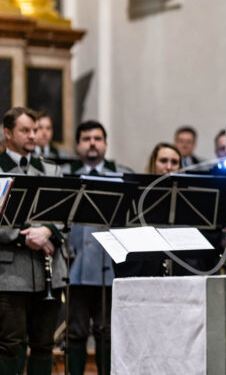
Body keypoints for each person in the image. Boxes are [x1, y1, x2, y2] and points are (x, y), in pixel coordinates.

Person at [63, 121, 133, 375]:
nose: (92, 143)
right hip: (76, 267)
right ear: (78, 145)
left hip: (110, 267)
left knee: (107, 332)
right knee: (75, 331)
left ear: (105, 143)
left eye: (97, 138)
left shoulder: (122, 174)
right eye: (86, 138)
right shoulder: (66, 176)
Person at [0, 108, 65, 375]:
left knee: (44, 344)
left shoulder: (51, 169)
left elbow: (66, 213)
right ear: (7, 133)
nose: (32, 135)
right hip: (10, 271)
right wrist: (26, 235)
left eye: (34, 130)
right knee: (10, 344)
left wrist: (49, 231)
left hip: (47, 268)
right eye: (25, 130)